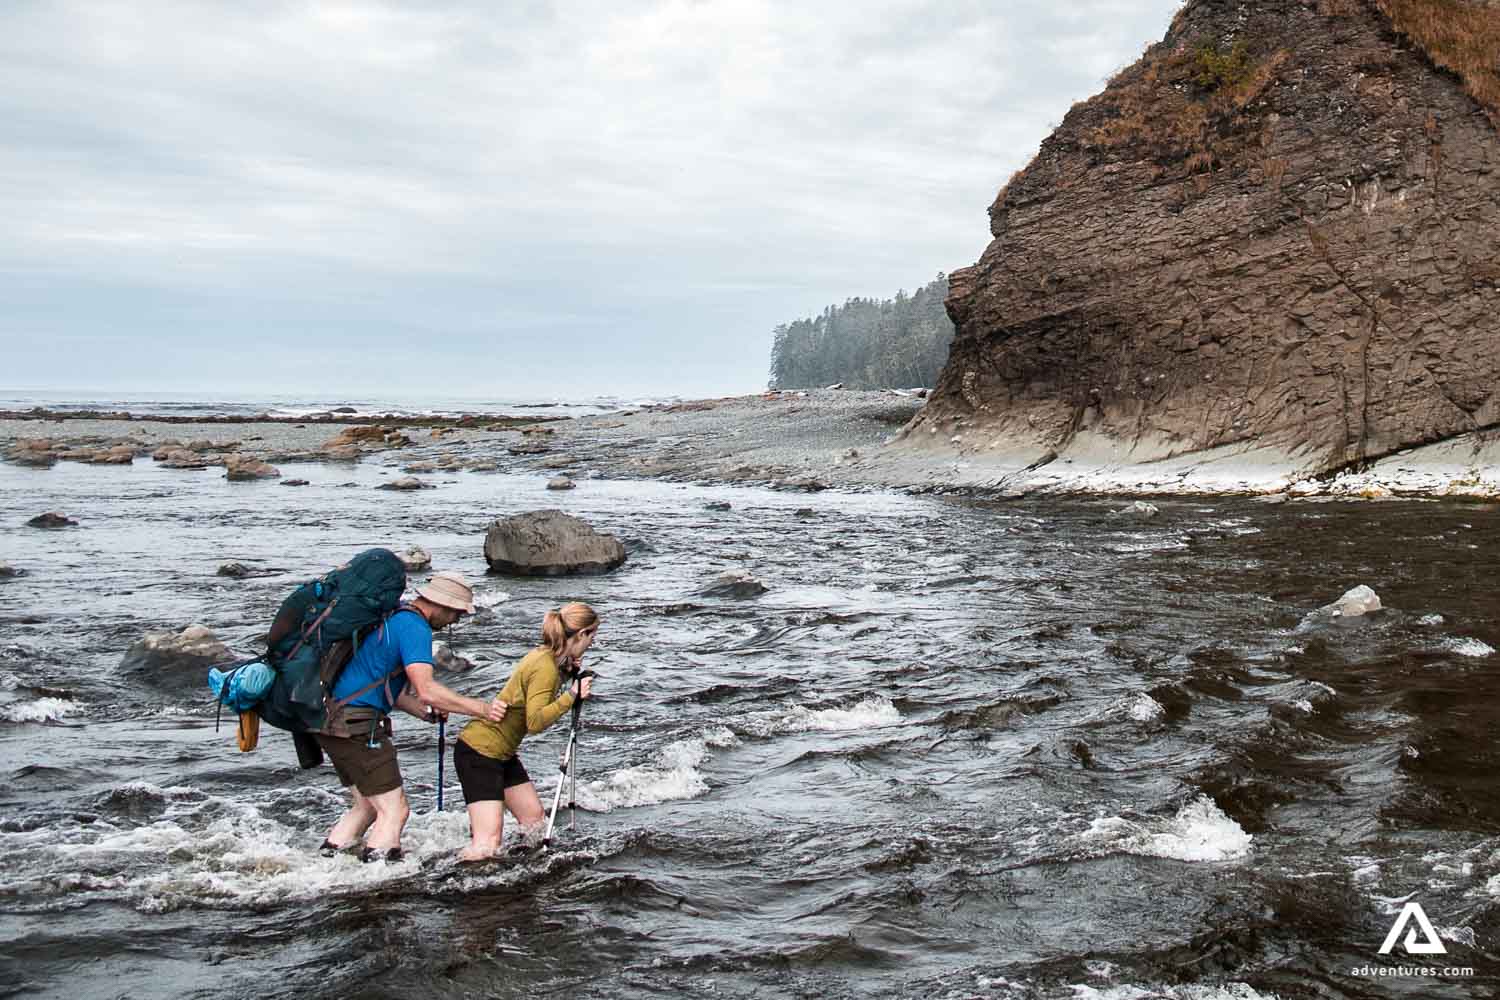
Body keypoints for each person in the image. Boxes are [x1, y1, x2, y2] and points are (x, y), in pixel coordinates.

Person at [316, 570, 506, 862]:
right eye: (456, 614)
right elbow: (427, 689)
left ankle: (326, 865)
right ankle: (377, 880)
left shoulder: (393, 616)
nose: (455, 621)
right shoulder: (415, 627)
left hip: (329, 719)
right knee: (396, 810)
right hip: (357, 725)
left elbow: (385, 686)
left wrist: (420, 711)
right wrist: (482, 709)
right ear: (442, 605)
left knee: (367, 806)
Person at [454, 602, 598, 861]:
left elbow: (535, 692)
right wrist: (571, 696)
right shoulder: (544, 666)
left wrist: (568, 672)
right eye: (592, 636)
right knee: (487, 842)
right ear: (581, 634)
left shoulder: (547, 657)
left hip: (501, 753)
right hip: (479, 754)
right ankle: (464, 888)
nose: (593, 643)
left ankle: (522, 870)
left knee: (534, 821)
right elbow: (534, 722)